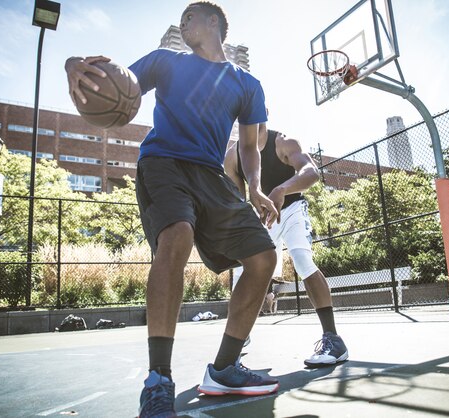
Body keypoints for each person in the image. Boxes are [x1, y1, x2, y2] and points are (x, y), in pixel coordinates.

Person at [66, 3, 280, 417]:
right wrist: (73, 63)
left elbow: (251, 147)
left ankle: (224, 368)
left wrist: (255, 187)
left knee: (264, 257)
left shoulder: (247, 83)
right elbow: (112, 80)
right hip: (163, 162)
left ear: (214, 22)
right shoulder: (165, 62)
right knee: (177, 235)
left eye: (190, 17)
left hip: (211, 174)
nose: (182, 24)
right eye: (180, 20)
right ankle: (158, 380)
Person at [225, 123, 349, 368]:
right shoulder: (232, 156)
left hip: (291, 209)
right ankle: (236, 341)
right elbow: (236, 199)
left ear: (264, 114)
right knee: (242, 273)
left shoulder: (283, 142)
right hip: (262, 217)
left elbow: (311, 172)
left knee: (302, 261)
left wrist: (282, 189)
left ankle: (334, 340)